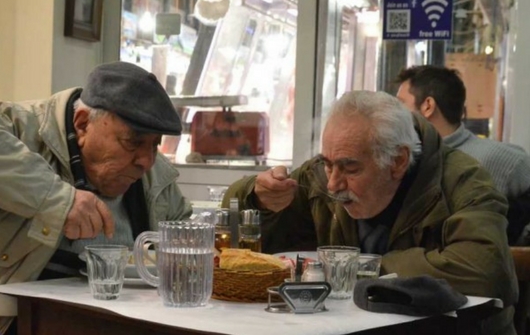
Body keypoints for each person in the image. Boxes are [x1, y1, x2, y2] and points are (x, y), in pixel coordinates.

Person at [0, 61, 192, 333]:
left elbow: (188, 240)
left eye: (155, 145)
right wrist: (57, 200)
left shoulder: (154, 179)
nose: (146, 161)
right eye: (133, 142)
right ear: (82, 124)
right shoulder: (22, 131)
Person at [223, 90, 517, 334]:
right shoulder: (320, 176)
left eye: (350, 168)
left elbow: (486, 270)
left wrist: (363, 269)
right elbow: (231, 230)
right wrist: (257, 198)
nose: (334, 184)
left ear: (398, 161)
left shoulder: (462, 183)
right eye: (328, 164)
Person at [396, 65, 530, 245]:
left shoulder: (504, 160)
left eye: (400, 104)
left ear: (428, 106)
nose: (395, 113)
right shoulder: (401, 160)